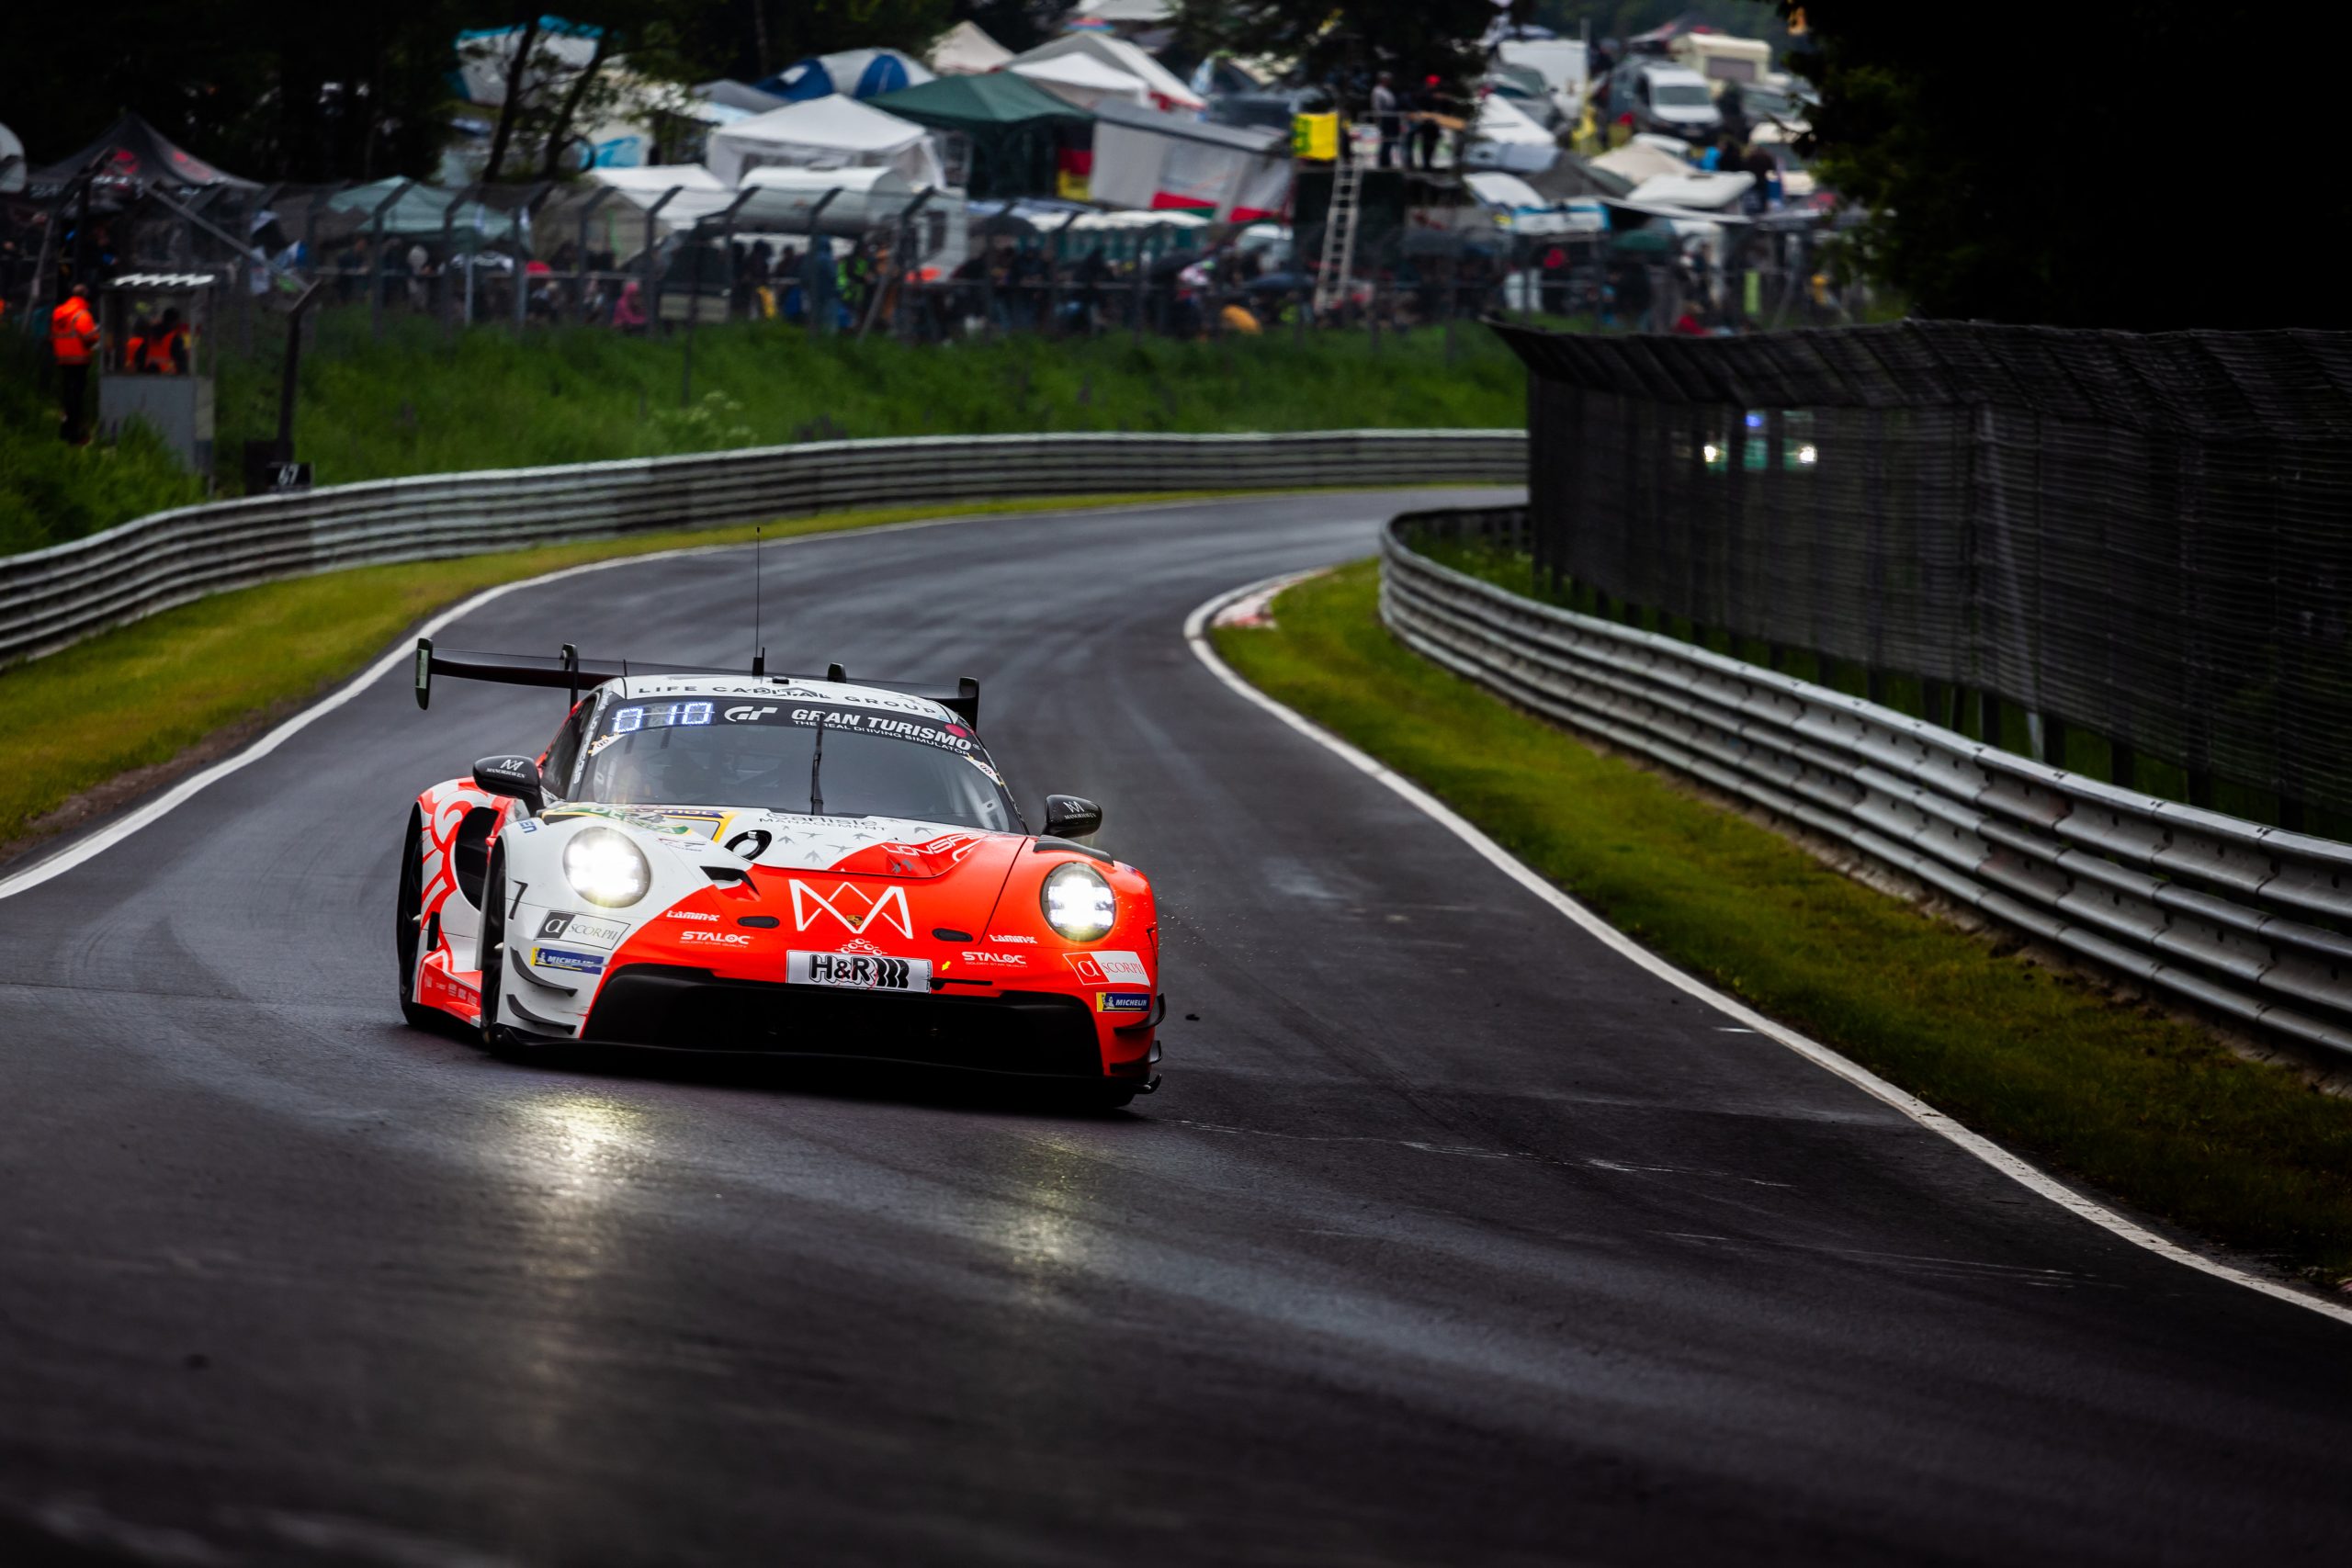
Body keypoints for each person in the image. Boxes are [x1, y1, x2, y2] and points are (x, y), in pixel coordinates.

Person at [49, 282, 100, 445]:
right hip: (79, 361)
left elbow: (53, 336)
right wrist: (96, 339)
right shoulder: (82, 315)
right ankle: (75, 435)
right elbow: (90, 339)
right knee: (76, 398)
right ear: (85, 296)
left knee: (67, 396)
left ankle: (65, 430)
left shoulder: (59, 313)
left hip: (63, 360)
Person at [142, 308, 188, 374]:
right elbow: (182, 362)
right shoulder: (175, 339)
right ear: (174, 321)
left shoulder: (150, 334)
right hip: (168, 378)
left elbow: (142, 355)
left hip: (147, 376)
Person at [1371, 72, 1401, 169]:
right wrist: (1379, 118)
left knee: (1389, 141)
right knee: (1386, 140)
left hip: (1391, 118)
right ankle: (1383, 163)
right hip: (1384, 118)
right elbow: (1377, 106)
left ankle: (1387, 161)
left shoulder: (1387, 90)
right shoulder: (1377, 90)